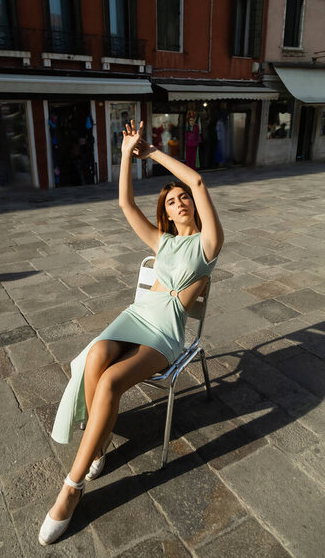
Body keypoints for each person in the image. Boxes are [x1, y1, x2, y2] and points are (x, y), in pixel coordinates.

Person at [38, 120, 224, 546]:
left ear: (193, 206)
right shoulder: (162, 243)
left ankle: (72, 487)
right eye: (172, 201)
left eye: (183, 199)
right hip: (135, 316)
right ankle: (98, 447)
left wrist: (151, 151)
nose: (179, 203)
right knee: (98, 353)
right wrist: (125, 154)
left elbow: (195, 178)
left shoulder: (208, 245)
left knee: (111, 381)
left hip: (165, 332)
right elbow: (124, 204)